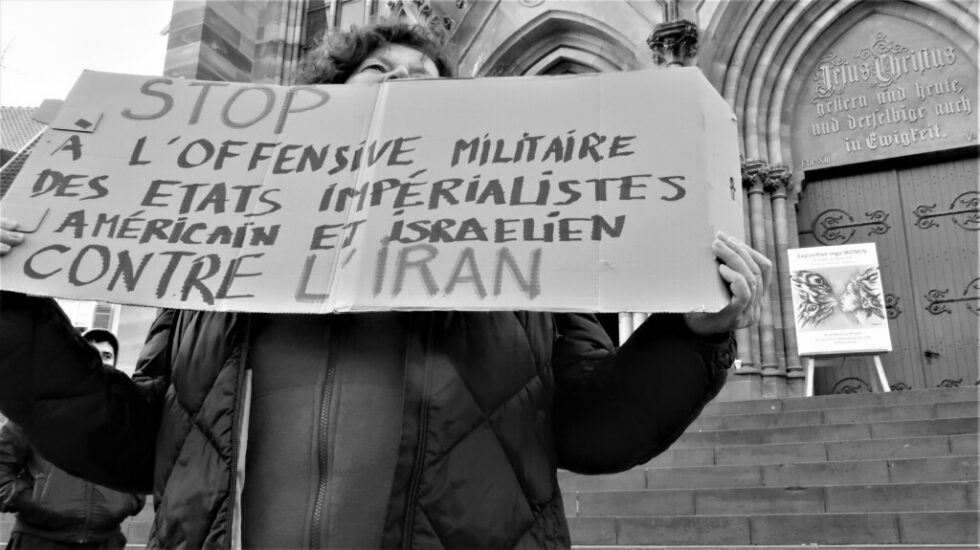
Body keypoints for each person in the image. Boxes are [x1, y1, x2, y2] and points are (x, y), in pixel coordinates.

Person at [0, 21, 772, 549]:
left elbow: (594, 430)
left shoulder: (525, 258)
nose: (404, 86)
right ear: (323, 100)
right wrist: (10, 307)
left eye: (425, 81)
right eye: (380, 73)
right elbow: (133, 442)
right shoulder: (218, 261)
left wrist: (689, 335)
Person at [0, 330, 145, 550]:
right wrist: (28, 499)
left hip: (105, 542)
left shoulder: (127, 419)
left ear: (115, 364)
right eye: (90, 352)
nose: (98, 360)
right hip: (37, 540)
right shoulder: (35, 410)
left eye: (106, 355)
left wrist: (128, 501)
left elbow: (141, 469)